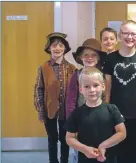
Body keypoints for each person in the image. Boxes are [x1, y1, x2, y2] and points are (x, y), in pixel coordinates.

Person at [103, 20, 136, 163]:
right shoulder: (111, 59)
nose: (129, 37)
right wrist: (107, 112)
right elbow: (108, 88)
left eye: (133, 34)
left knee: (134, 152)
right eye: (126, 33)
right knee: (116, 153)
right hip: (115, 113)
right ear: (119, 35)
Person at [65, 67, 126, 163]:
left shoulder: (112, 109)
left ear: (103, 86)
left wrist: (104, 145)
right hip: (85, 159)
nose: (92, 90)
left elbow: (122, 133)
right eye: (87, 86)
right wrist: (84, 149)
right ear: (81, 89)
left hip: (109, 158)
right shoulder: (77, 113)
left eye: (95, 85)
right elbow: (69, 138)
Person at [34, 32, 76, 163]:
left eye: (60, 45)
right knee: (52, 138)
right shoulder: (43, 68)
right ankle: (53, 161)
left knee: (65, 139)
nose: (57, 48)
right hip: (49, 109)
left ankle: (64, 161)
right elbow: (38, 90)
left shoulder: (71, 68)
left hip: (66, 111)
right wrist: (41, 111)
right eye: (54, 45)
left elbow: (75, 92)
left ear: (65, 48)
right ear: (49, 48)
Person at [65, 38, 107, 163]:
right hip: (81, 118)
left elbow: (106, 97)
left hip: (99, 118)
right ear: (81, 57)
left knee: (99, 149)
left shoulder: (103, 75)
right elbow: (71, 99)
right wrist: (72, 121)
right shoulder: (76, 75)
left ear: (98, 58)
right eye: (86, 55)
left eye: (93, 55)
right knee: (79, 152)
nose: (90, 58)